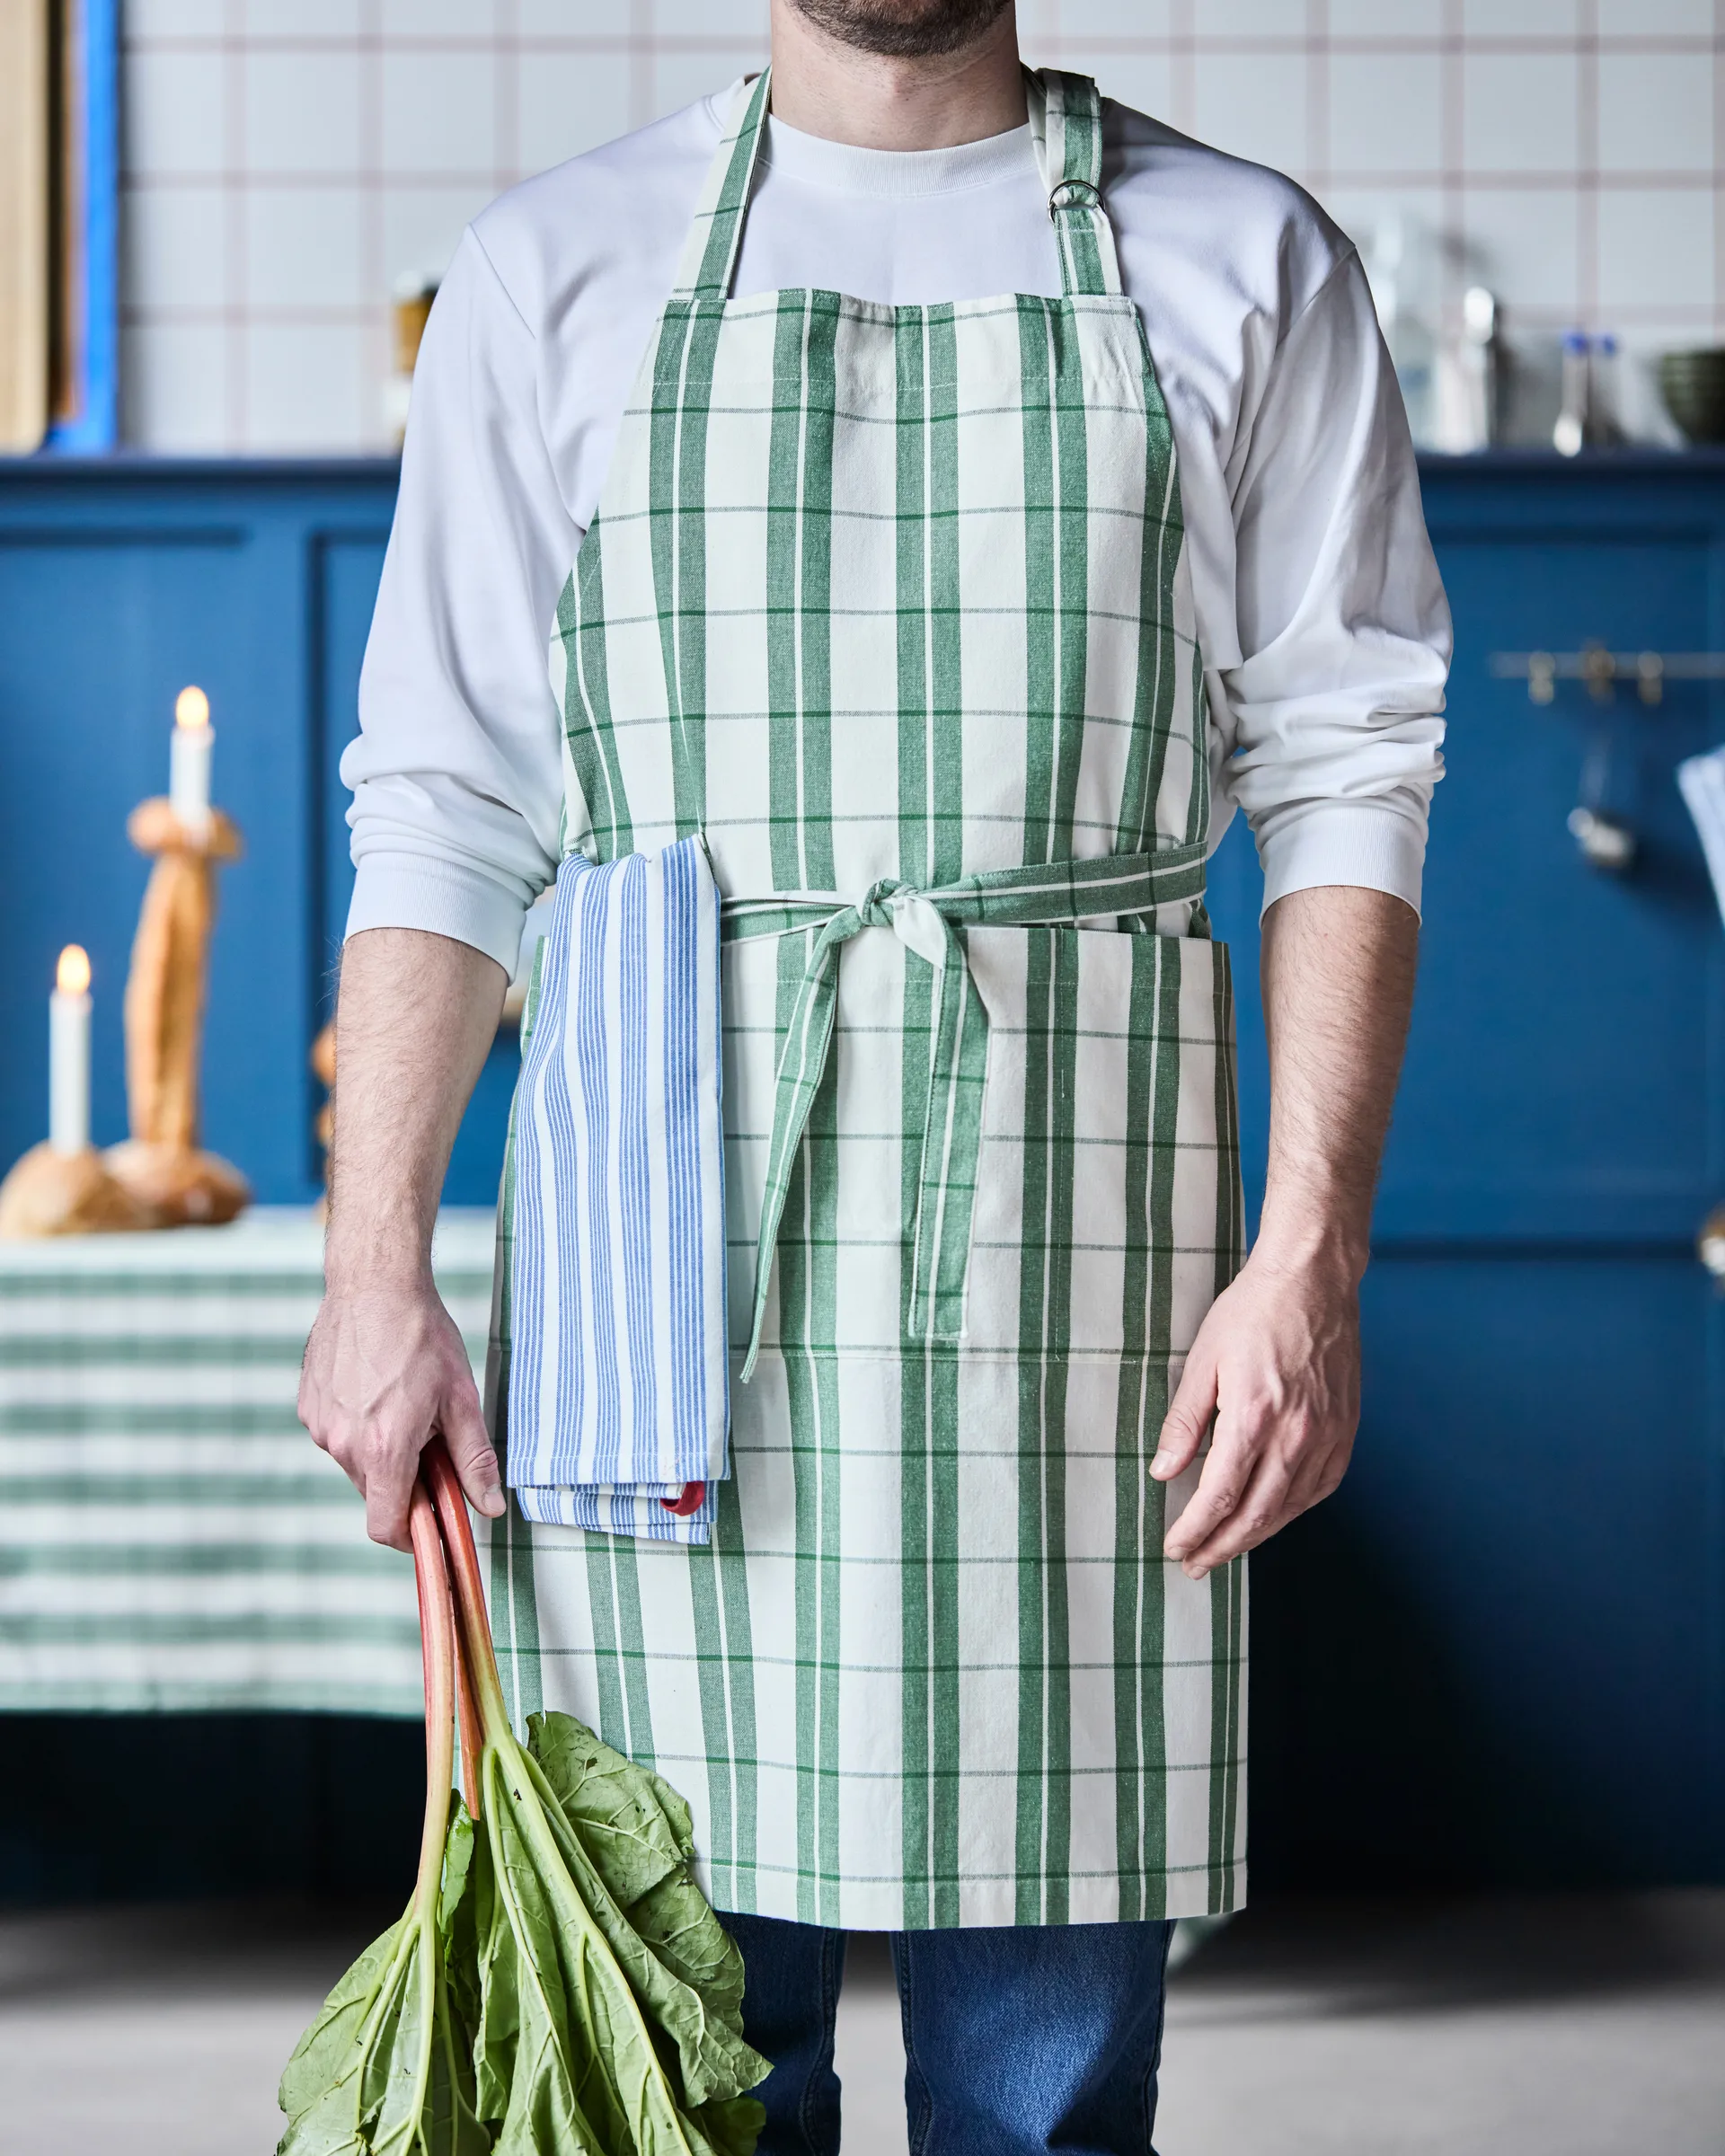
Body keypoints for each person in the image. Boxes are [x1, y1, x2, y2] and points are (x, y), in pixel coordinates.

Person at [298, 1, 1449, 2148]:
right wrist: (376, 1273)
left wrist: (1311, 1258)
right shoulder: (555, 267)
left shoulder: (1247, 261)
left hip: (1076, 1295)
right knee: (693, 2078)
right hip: (661, 1291)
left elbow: (1351, 776)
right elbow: (447, 803)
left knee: (1049, 2100)